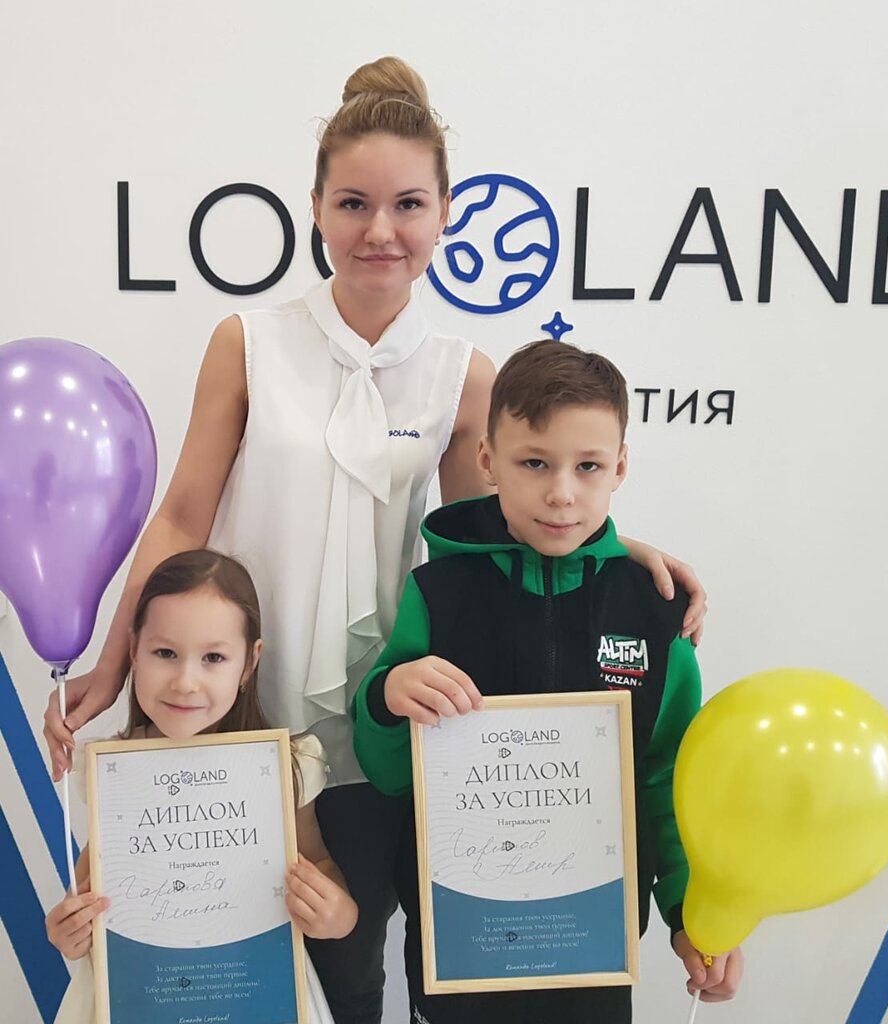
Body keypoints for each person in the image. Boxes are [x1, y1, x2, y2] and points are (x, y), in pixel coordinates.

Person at [43, 57, 707, 1024]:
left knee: (350, 969)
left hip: (388, 724)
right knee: (216, 966)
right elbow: (183, 514)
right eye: (353, 203)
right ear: (315, 207)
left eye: (408, 205)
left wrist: (622, 551)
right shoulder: (247, 342)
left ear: (445, 215)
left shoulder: (462, 374)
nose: (380, 231)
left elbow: (501, 540)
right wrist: (112, 664)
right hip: (237, 708)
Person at [352, 340, 743, 1024]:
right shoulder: (437, 594)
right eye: (534, 463)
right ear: (487, 461)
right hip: (459, 941)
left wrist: (690, 914)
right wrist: (387, 701)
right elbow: (389, 773)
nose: (562, 492)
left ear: (620, 467)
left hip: (592, 946)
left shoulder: (656, 613)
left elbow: (668, 780)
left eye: (588, 466)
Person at [45, 549, 357, 1024]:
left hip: (253, 991)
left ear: (249, 662)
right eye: (165, 653)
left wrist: (338, 915)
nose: (185, 682)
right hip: (137, 996)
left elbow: (318, 863)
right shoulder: (114, 770)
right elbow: (91, 889)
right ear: (133, 651)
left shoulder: (283, 766)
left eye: (213, 657)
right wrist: (68, 930)